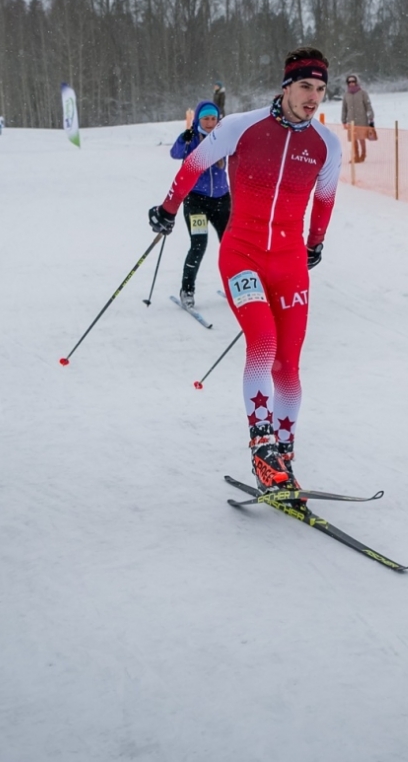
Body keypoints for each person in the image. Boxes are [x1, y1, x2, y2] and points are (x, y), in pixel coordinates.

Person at [148, 48, 341, 496]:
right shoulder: (241, 127)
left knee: (288, 365)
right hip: (243, 254)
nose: (314, 98)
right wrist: (168, 209)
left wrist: (315, 243)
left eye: (320, 89)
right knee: (263, 340)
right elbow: (194, 165)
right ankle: (261, 443)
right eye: (306, 87)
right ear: (286, 87)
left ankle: (283, 458)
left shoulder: (326, 145)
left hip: (291, 263)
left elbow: (325, 199)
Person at [168, 101, 232, 309]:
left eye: (213, 118)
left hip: (222, 200)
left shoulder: (224, 136)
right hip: (196, 200)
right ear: (198, 119)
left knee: (232, 246)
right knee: (199, 244)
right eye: (206, 118)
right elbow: (175, 154)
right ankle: (187, 290)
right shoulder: (192, 138)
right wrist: (182, 139)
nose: (210, 122)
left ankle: (234, 288)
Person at [340, 73, 375, 163]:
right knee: (353, 139)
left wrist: (370, 117)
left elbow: (368, 105)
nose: (351, 83)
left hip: (362, 120)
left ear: (356, 82)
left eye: (353, 81)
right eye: (349, 82)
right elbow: (344, 108)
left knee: (361, 138)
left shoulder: (363, 93)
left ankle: (363, 155)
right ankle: (356, 156)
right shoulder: (346, 95)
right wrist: (343, 120)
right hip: (351, 121)